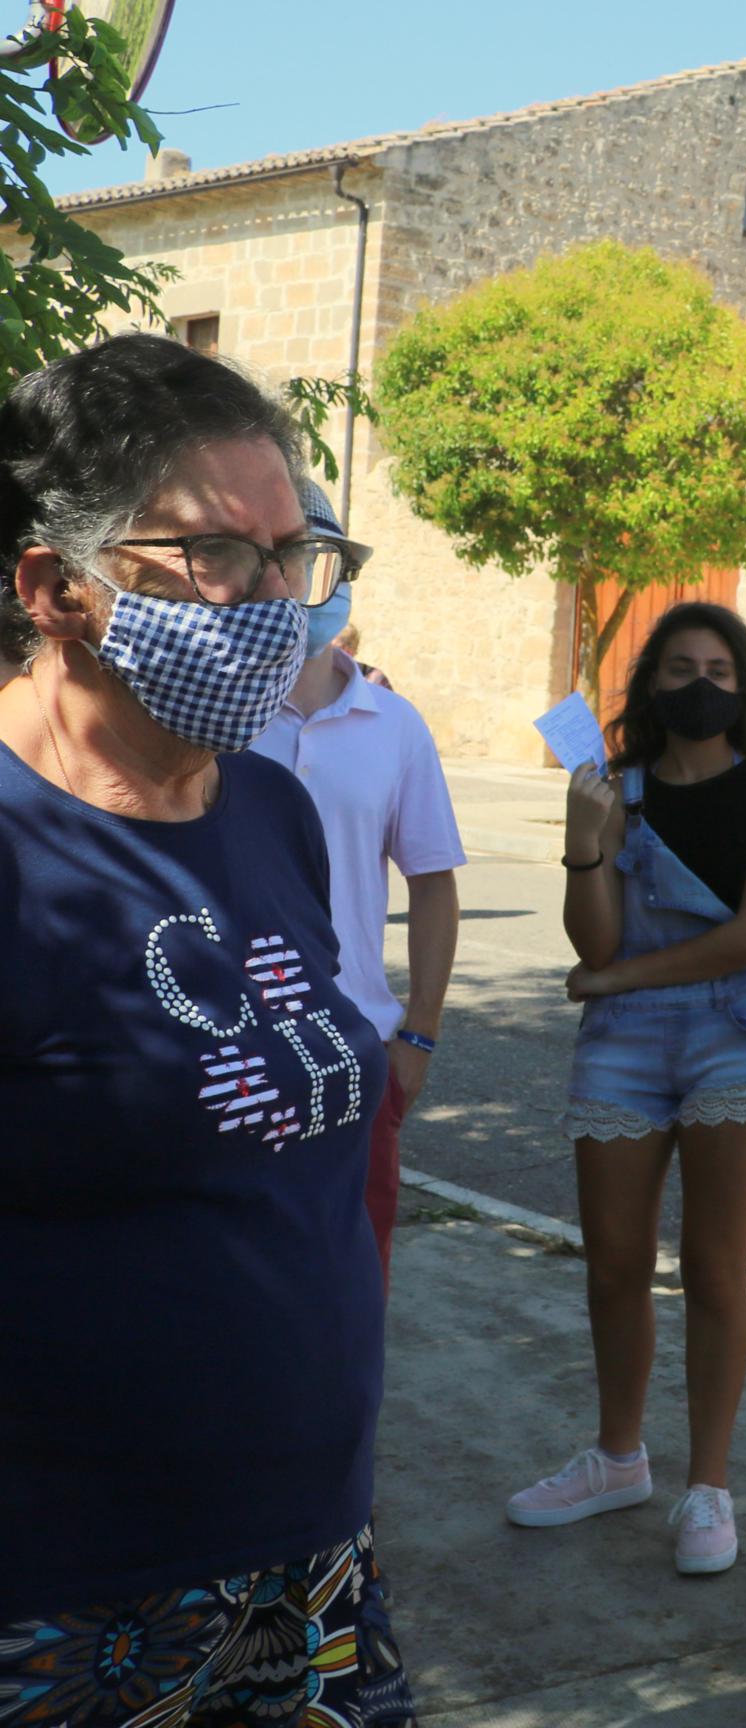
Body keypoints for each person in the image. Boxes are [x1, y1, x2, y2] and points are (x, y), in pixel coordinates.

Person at [0, 334, 415, 1725]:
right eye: (218, 557)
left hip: (306, 1555)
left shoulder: (270, 810)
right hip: (65, 1595)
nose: (275, 598)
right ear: (58, 588)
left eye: (296, 552)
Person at [503, 602, 746, 1578]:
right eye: (680, 666)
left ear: (745, 683)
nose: (700, 683)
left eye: (719, 665)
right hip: (624, 1042)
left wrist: (618, 978)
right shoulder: (613, 787)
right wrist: (584, 839)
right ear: (650, 683)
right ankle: (619, 1455)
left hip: (734, 1031)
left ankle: (708, 1483)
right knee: (612, 1260)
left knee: (718, 1267)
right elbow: (591, 939)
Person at [248, 477, 464, 1290]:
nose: (290, 582)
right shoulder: (212, 714)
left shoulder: (394, 724)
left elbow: (433, 882)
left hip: (356, 1046)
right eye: (269, 560)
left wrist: (421, 1033)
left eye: (307, 560)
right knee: (243, 1278)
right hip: (234, 1043)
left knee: (353, 1275)